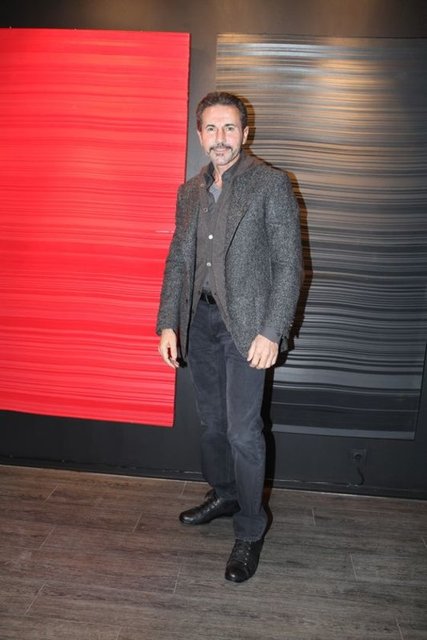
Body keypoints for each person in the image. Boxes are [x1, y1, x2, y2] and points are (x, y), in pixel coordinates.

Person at [157, 91, 302, 583]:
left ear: (245, 132)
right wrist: (168, 322)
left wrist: (271, 330)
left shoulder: (270, 183)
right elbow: (178, 260)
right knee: (213, 426)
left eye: (230, 128)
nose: (220, 138)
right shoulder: (188, 192)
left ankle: (250, 529)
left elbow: (289, 265)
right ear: (200, 135)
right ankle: (224, 494)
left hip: (247, 328)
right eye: (211, 129)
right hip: (199, 324)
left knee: (243, 432)